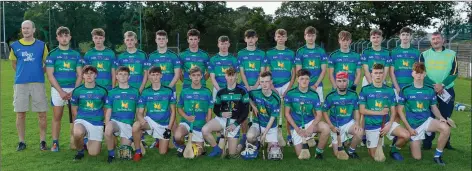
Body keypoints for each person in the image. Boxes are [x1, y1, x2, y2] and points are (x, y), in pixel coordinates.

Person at [397, 62, 451, 166]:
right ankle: (414, 142)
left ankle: (437, 156)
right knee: (417, 158)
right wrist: (408, 128)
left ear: (425, 74)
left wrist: (440, 117)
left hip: (427, 121)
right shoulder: (405, 90)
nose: (419, 76)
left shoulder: (430, 90)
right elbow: (400, 111)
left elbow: (434, 107)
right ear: (412, 73)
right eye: (417, 73)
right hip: (413, 126)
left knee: (445, 128)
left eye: (421, 73)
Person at [9, 20, 49, 151]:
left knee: (42, 113)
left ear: (34, 29)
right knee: (20, 113)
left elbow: (47, 64)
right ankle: (21, 142)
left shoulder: (42, 45)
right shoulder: (15, 46)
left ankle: (42, 141)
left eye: (28, 28)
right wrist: (24, 73)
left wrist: (38, 72)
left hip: (38, 82)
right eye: (23, 28)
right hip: (21, 83)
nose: (25, 30)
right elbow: (14, 64)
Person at [359, 63, 410, 161]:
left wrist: (389, 125)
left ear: (384, 75)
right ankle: (372, 143)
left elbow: (393, 111)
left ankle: (394, 150)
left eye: (380, 73)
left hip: (386, 123)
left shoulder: (389, 90)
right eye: (376, 73)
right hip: (371, 126)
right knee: (376, 158)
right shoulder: (365, 90)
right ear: (371, 74)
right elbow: (362, 110)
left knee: (406, 135)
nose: (378, 75)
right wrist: (380, 113)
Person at [46, 26, 83, 152]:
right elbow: (50, 75)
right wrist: (61, 91)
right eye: (61, 36)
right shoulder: (53, 54)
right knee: (57, 116)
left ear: (70, 37)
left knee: (75, 115)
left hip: (73, 89)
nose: (64, 38)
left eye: (66, 35)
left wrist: (75, 90)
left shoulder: (75, 54)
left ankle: (76, 142)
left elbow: (80, 74)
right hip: (58, 90)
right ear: (57, 38)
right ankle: (55, 142)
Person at [420, 32, 458, 150]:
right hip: (429, 90)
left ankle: (446, 142)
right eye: (433, 39)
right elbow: (420, 71)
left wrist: (442, 85)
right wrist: (434, 86)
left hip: (446, 90)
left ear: (443, 40)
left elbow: (454, 72)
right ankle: (427, 143)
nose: (435, 41)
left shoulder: (452, 54)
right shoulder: (424, 54)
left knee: (445, 116)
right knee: (428, 116)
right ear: (431, 41)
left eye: (438, 38)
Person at [145, 30, 181, 148]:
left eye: (163, 39)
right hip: (155, 90)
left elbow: (177, 74)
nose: (161, 41)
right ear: (156, 40)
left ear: (166, 40)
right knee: (155, 113)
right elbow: (149, 74)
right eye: (159, 39)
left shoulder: (173, 55)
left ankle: (175, 140)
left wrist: (168, 89)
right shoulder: (152, 56)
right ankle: (158, 139)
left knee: (171, 113)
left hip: (170, 90)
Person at [203, 67, 249, 158]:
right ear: (225, 77)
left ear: (236, 76)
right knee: (205, 130)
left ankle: (241, 144)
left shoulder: (242, 91)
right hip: (221, 120)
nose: (231, 78)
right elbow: (216, 109)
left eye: (233, 76)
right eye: (229, 76)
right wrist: (221, 114)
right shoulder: (221, 92)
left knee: (232, 154)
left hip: (234, 122)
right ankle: (217, 149)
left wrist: (235, 124)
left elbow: (245, 111)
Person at [132, 66, 176, 161]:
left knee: (163, 153)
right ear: (149, 76)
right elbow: (139, 112)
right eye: (153, 75)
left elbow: (173, 112)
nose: (155, 77)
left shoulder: (168, 91)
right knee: (136, 126)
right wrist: (141, 119)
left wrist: (169, 129)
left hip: (163, 124)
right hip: (150, 122)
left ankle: (161, 142)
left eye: (157, 75)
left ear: (161, 75)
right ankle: (138, 152)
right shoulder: (145, 92)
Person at [284, 69, 330, 159]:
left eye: (307, 79)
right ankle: (306, 140)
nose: (304, 81)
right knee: (301, 156)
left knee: (326, 128)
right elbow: (286, 114)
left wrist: (312, 126)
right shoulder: (290, 93)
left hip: (310, 123)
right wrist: (297, 129)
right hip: (296, 126)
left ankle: (319, 152)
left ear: (309, 80)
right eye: (302, 79)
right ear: (297, 79)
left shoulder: (314, 94)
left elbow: (319, 114)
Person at [173, 66, 213, 157]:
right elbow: (179, 108)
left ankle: (196, 143)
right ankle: (183, 146)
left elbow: (209, 110)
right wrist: (187, 117)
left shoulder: (207, 92)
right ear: (190, 77)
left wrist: (207, 125)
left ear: (201, 76)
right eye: (193, 75)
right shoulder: (184, 91)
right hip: (187, 123)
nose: (196, 77)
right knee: (177, 136)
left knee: (197, 153)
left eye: (198, 75)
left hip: (200, 125)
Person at [265, 29, 296, 146]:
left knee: (289, 111)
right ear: (275, 38)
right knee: (271, 110)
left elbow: (294, 72)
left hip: (287, 84)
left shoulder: (291, 53)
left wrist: (289, 87)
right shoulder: (269, 53)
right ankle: (271, 135)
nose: (281, 38)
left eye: (283, 36)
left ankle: (289, 136)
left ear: (286, 38)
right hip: (273, 85)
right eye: (278, 36)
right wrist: (271, 86)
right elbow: (268, 71)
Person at [322, 72, 363, 159]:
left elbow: (356, 110)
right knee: (337, 154)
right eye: (339, 81)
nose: (342, 83)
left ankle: (351, 151)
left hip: (348, 123)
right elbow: (324, 111)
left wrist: (357, 123)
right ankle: (343, 142)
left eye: (344, 81)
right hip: (335, 126)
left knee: (359, 132)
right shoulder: (330, 96)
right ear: (336, 82)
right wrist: (331, 126)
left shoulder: (353, 95)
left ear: (348, 82)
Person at [103, 66, 140, 163]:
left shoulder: (135, 91)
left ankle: (131, 141)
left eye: (125, 74)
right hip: (115, 122)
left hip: (128, 125)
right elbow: (108, 111)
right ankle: (111, 154)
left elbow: (139, 111)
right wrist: (106, 125)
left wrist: (137, 126)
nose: (123, 76)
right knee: (108, 129)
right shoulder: (111, 92)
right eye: (120, 74)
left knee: (124, 155)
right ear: (116, 77)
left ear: (129, 77)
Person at [71, 65, 108, 161]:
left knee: (94, 153)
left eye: (91, 73)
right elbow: (74, 108)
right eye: (86, 73)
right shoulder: (77, 91)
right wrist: (76, 123)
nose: (89, 75)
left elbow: (106, 108)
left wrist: (104, 122)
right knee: (78, 132)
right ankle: (80, 152)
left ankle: (86, 139)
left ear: (95, 75)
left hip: (97, 122)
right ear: (82, 75)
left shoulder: (102, 91)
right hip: (82, 120)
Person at [237, 29, 266, 149]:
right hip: (244, 86)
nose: (251, 40)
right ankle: (244, 137)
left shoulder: (261, 53)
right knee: (243, 114)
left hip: (258, 86)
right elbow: (242, 72)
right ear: (245, 39)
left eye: (253, 37)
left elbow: (262, 71)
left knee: (258, 111)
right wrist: (247, 86)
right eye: (248, 38)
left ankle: (257, 136)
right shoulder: (241, 53)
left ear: (256, 39)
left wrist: (255, 86)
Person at [241, 71, 280, 160]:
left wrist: (264, 134)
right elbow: (247, 96)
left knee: (274, 154)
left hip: (270, 127)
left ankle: (274, 144)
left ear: (271, 82)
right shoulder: (255, 93)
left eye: (266, 81)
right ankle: (255, 146)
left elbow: (272, 118)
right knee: (250, 136)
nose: (264, 84)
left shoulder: (275, 98)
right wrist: (253, 106)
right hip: (257, 124)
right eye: (262, 82)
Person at [295, 26, 327, 101]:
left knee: (318, 111)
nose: (310, 38)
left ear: (315, 36)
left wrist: (315, 85)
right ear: (305, 37)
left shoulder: (321, 51)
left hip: (318, 86)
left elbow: (324, 70)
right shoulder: (300, 51)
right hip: (303, 85)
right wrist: (303, 84)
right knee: (304, 110)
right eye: (308, 36)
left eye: (313, 35)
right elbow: (298, 71)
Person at [209, 35, 239, 101]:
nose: (224, 46)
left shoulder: (233, 59)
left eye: (226, 44)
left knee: (232, 109)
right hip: (217, 88)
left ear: (229, 44)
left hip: (230, 88)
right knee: (217, 110)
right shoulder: (213, 59)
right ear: (218, 45)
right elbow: (212, 78)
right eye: (222, 44)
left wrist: (230, 88)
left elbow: (236, 76)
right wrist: (219, 90)